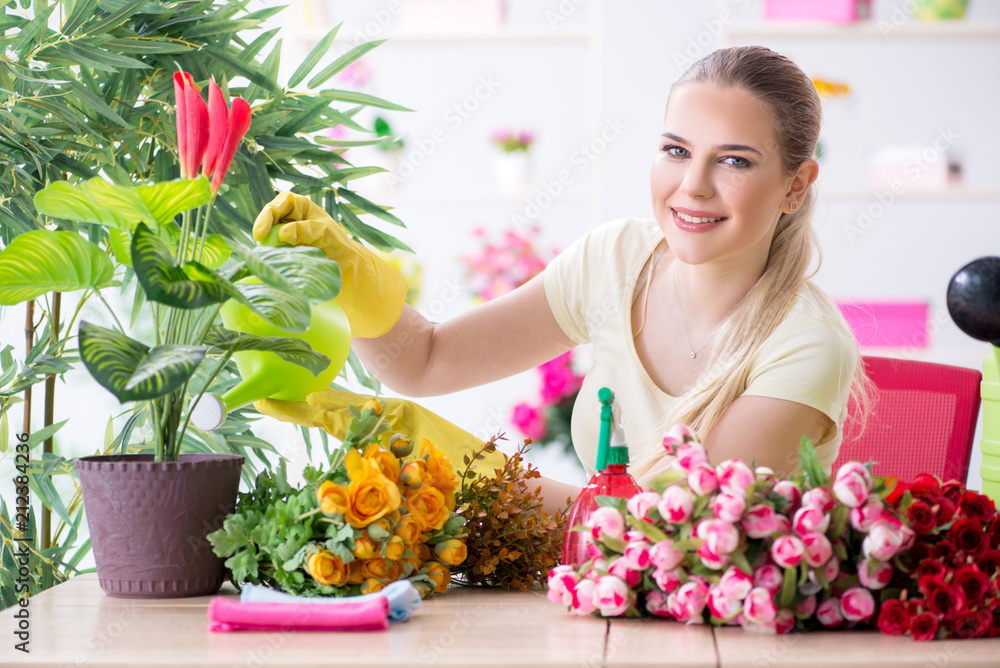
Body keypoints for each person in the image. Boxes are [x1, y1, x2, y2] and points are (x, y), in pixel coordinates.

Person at [254, 45, 869, 513]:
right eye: (676, 151)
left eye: (734, 160)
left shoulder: (806, 345)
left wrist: (455, 466)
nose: (693, 185)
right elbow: (425, 362)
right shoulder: (615, 260)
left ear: (796, 186)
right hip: (598, 614)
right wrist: (349, 274)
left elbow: (656, 531)